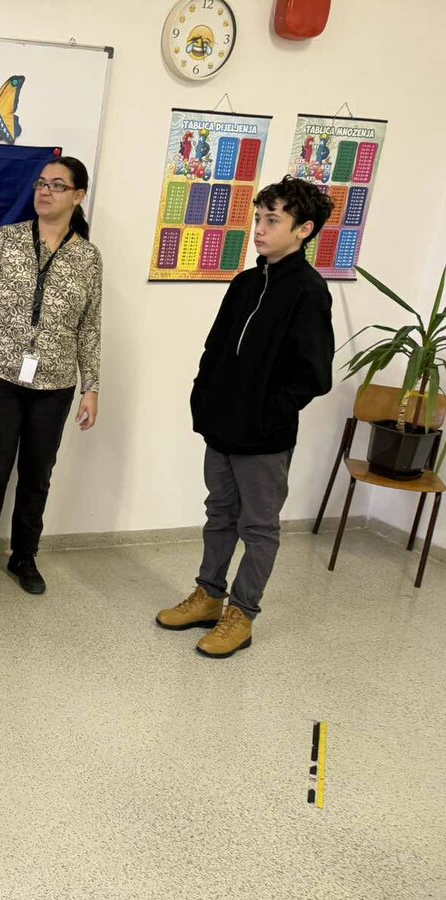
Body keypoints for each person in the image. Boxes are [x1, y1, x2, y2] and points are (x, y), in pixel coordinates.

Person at [157, 175, 335, 658]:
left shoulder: (308, 291)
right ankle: (208, 596)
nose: (259, 229)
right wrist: (204, 400)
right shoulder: (245, 282)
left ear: (304, 229)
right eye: (258, 218)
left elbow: (314, 376)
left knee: (258, 528)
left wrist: (265, 413)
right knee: (219, 515)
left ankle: (242, 614)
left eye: (272, 220)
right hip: (222, 429)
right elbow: (215, 349)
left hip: (264, 438)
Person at [0, 157, 102, 594]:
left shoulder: (88, 257)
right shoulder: (6, 239)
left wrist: (91, 387)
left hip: (55, 385)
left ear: (78, 196)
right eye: (42, 183)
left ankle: (24, 556)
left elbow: (90, 325)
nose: (45, 191)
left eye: (57, 185)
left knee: (38, 475)